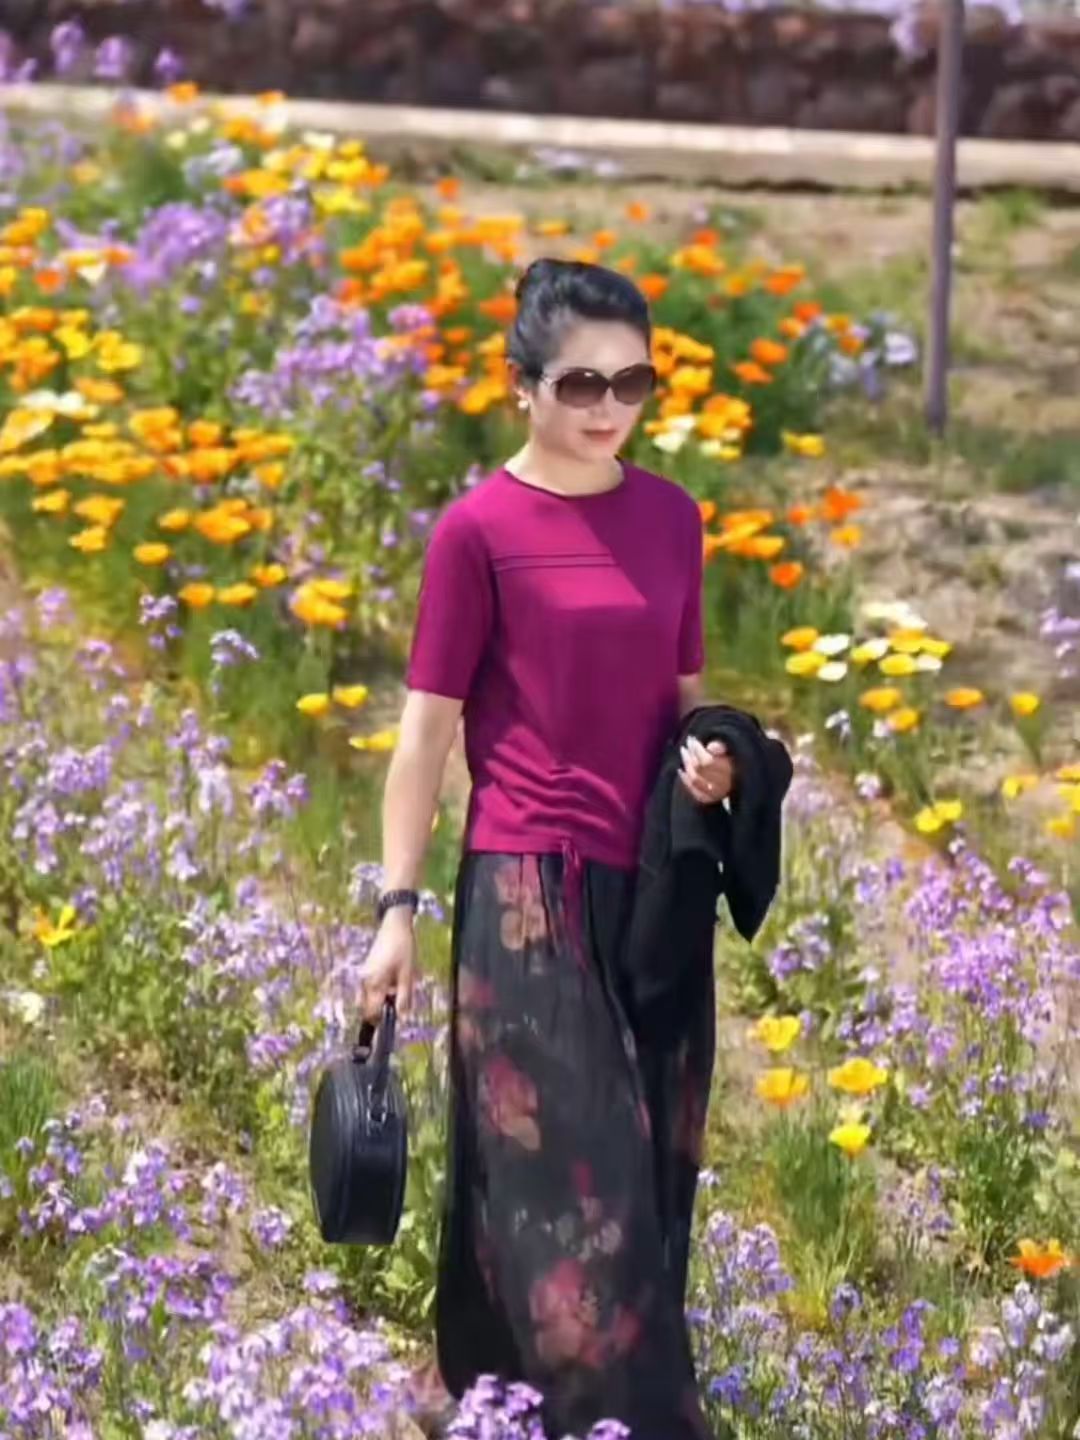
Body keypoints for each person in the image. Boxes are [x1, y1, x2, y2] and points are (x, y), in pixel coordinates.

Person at [358, 259, 734, 1440]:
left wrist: (716, 769)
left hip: (650, 893)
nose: (608, 407)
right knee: (582, 1191)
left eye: (633, 382)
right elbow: (424, 738)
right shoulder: (477, 534)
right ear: (521, 384)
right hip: (525, 893)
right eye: (580, 384)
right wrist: (396, 911)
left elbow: (682, 705)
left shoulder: (672, 518)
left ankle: (492, 1404)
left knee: (648, 1185)